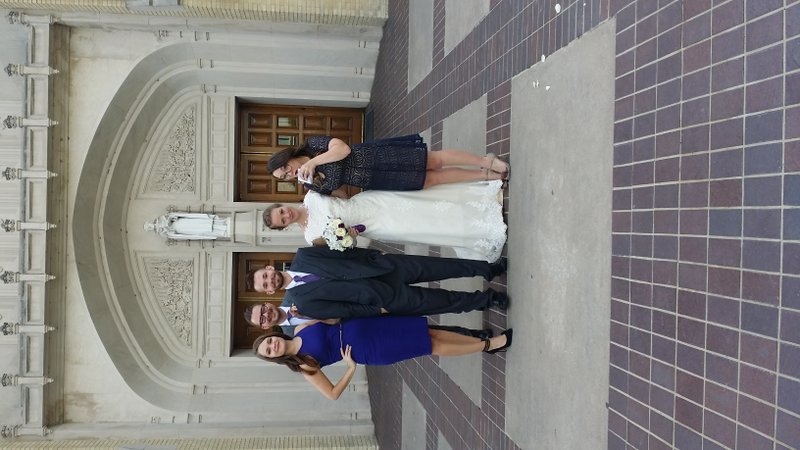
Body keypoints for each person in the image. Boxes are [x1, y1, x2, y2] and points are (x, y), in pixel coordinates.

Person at [253, 316, 513, 400]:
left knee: (429, 332)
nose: (273, 346)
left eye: (269, 342)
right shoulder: (302, 365)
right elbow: (332, 394)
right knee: (429, 345)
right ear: (274, 358)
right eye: (269, 351)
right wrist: (350, 369)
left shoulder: (300, 328)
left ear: (272, 335)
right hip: (370, 349)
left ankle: (485, 344)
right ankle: (488, 345)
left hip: (368, 326)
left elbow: (332, 319)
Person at [245, 246, 508, 322]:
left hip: (384, 267)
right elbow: (343, 310)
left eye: (265, 276)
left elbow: (340, 252)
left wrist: (372, 255)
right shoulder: (303, 304)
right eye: (265, 285)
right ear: (270, 291)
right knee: (440, 302)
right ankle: (488, 300)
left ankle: (488, 269)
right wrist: (376, 310)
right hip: (381, 298)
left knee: (442, 267)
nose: (269, 280)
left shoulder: (304, 255)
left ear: (269, 269)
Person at [263, 180, 506, 262]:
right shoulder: (310, 236)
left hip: (370, 203)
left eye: (281, 211)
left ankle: (478, 202)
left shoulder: (311, 194)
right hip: (374, 226)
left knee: (423, 205)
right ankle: (477, 230)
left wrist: (334, 191)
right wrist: (348, 236)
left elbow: (342, 194)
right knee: (421, 226)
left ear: (282, 205)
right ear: (284, 227)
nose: (286, 215)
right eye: (282, 220)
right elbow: (341, 246)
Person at [267, 134, 509, 198]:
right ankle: (485, 175)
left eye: (285, 169)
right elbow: (341, 194)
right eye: (284, 177)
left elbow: (343, 150)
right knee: (431, 180)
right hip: (374, 180)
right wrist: (324, 196)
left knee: (434, 161)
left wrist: (313, 162)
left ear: (287, 158)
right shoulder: (310, 184)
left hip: (377, 157)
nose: (289, 174)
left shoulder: (312, 146)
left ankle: (486, 161)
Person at [243, 302, 495, 340]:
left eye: (263, 309)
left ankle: (477, 302)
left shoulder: (294, 293)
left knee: (423, 304)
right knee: (426, 332)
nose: (267, 314)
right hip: (363, 331)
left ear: (267, 303)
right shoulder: (292, 337)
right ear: (265, 326)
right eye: (262, 319)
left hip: (367, 306)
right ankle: (473, 336)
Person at [143, 212, 229, 240]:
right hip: (182, 230)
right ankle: (221, 231)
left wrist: (170, 219)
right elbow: (171, 234)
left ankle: (221, 224)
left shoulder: (160, 218)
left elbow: (172, 216)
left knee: (201, 222)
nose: (150, 226)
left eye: (149, 225)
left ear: (150, 223)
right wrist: (167, 230)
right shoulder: (160, 233)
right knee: (200, 230)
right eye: (149, 228)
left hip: (182, 222)